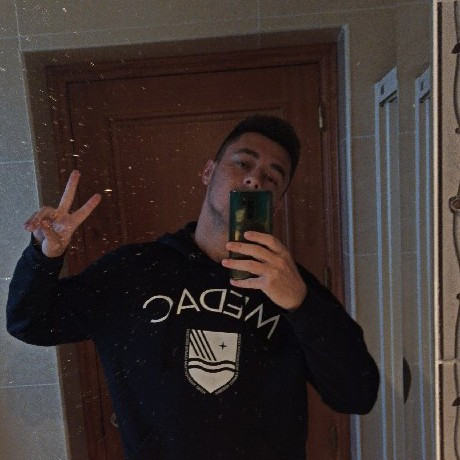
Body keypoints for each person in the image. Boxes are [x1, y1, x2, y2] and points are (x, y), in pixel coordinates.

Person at [6, 115, 379, 460]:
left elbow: (358, 395)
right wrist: (44, 255)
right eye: (243, 163)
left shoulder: (293, 286)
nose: (254, 180)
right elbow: (29, 322)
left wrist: (302, 305)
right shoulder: (134, 270)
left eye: (272, 178)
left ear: (277, 203)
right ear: (208, 172)